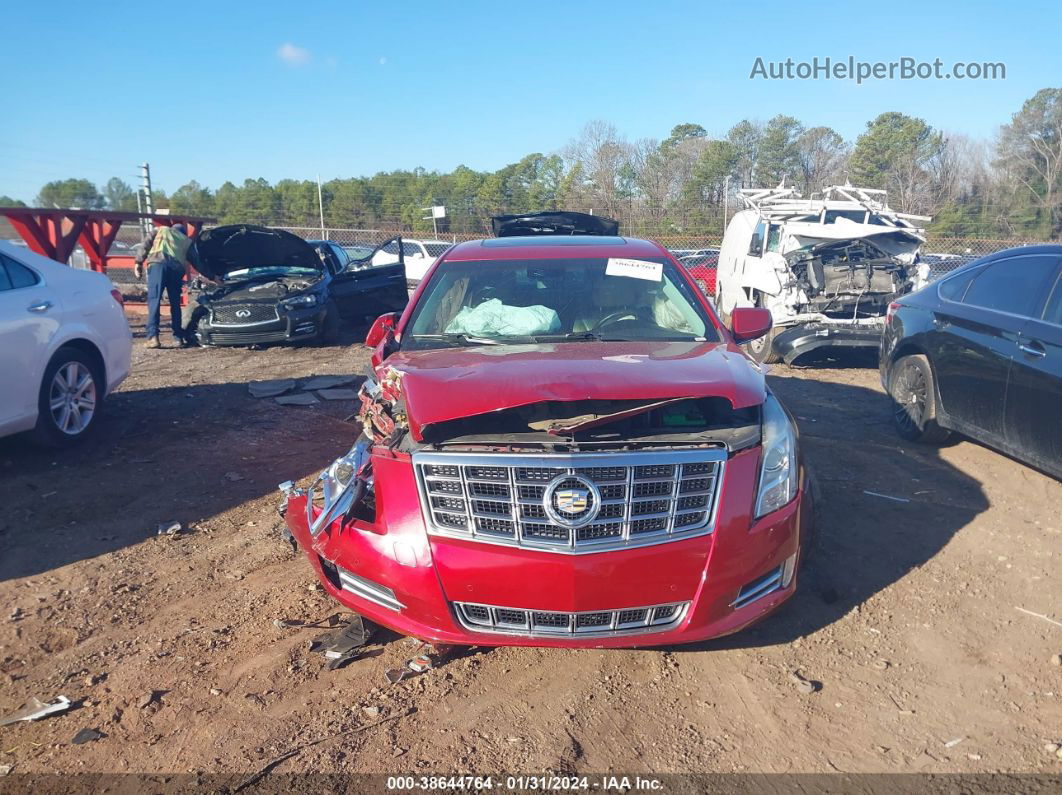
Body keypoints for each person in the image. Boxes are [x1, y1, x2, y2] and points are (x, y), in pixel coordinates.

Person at [135, 223, 193, 349]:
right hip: (176, 269)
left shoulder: (161, 229)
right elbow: (196, 260)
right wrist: (212, 276)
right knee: (175, 304)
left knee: (154, 301)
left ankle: (153, 337)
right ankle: (178, 338)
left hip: (158, 265)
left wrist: (138, 262)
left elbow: (146, 244)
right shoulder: (187, 240)